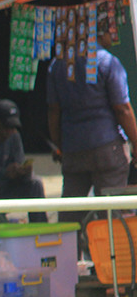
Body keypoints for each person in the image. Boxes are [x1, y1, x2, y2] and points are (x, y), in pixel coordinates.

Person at [47, 27, 137, 226]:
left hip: (73, 149)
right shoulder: (108, 62)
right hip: (108, 148)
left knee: (71, 212)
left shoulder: (58, 64)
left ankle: (69, 255)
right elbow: (123, 109)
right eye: (110, 31)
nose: (113, 36)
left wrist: (59, 145)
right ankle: (110, 257)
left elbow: (53, 111)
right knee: (111, 214)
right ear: (98, 32)